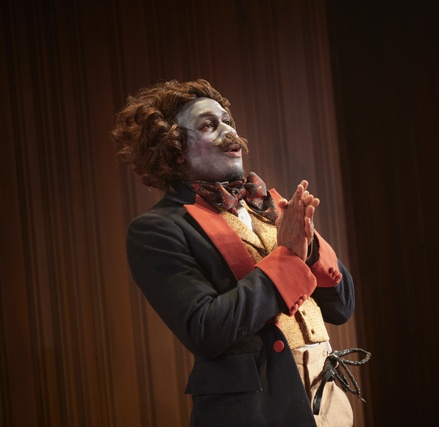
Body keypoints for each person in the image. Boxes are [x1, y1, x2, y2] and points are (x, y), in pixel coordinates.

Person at [112, 79, 361, 426]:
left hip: (329, 395)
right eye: (208, 125)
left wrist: (310, 246)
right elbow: (206, 329)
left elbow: (342, 307)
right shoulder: (158, 228)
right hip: (257, 410)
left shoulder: (269, 207)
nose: (229, 131)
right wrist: (289, 256)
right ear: (176, 150)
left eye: (227, 121)